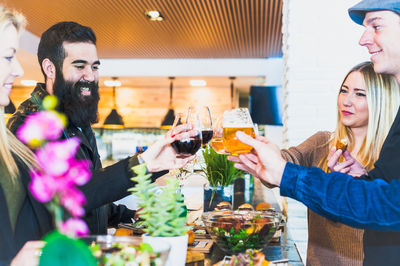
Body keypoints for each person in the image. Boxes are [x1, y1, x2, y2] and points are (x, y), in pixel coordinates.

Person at [0, 8, 194, 264]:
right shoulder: (30, 127)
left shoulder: (78, 121)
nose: (90, 76)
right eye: (79, 66)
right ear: (50, 67)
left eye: (94, 67)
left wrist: (127, 214)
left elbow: (92, 193)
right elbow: (71, 196)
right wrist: (145, 163)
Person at [229, 0, 400, 264]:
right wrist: (363, 179)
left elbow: (389, 206)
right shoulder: (326, 141)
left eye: (376, 26)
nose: (363, 40)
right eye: (344, 90)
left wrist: (285, 173)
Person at [276, 61, 399, 265]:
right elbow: (282, 164)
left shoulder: (388, 161)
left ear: (381, 101)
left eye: (360, 94)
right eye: (344, 91)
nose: (346, 101)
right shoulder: (321, 143)